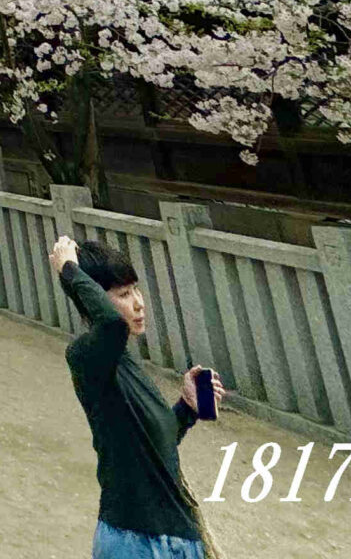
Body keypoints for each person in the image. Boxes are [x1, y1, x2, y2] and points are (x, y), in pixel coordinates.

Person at [48, 233, 225, 559]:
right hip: (135, 541)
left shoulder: (127, 362)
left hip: (176, 539)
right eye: (124, 293)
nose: (139, 302)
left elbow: (157, 444)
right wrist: (69, 270)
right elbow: (113, 324)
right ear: (93, 299)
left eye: (136, 289)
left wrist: (187, 408)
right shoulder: (87, 358)